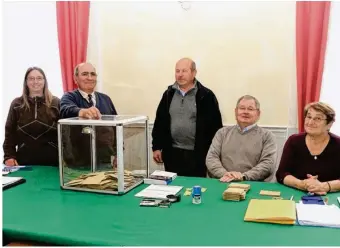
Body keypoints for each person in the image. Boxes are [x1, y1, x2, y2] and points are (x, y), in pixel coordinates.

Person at [152, 58, 223, 177]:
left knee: (194, 189)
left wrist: (213, 153)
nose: (180, 75)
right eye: (177, 71)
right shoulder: (169, 94)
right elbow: (160, 122)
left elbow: (215, 127)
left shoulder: (206, 95)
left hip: (198, 155)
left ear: (194, 73)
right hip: (172, 153)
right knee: (173, 189)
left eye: (184, 71)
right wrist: (157, 147)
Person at [206, 95, 277, 182]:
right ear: (236, 112)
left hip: (254, 185)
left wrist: (243, 176)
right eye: (242, 108)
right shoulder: (222, 133)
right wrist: (225, 174)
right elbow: (211, 158)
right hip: (222, 182)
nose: (245, 112)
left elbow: (268, 164)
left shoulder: (267, 136)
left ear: (258, 114)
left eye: (250, 109)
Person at [60, 62, 118, 168]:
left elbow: (116, 128)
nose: (89, 77)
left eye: (93, 74)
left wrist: (118, 154)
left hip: (104, 161)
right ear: (75, 78)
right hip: (77, 163)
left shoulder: (106, 99)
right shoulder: (69, 97)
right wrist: (82, 112)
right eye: (85, 74)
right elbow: (65, 109)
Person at [276, 102, 340, 194]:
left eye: (317, 118)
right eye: (309, 117)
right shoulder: (293, 141)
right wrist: (301, 184)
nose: (310, 122)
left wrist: (325, 186)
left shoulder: (338, 144)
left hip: (330, 196)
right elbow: (282, 173)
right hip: (296, 193)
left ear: (329, 124)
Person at [3, 67, 60, 166]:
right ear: (26, 82)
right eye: (31, 78)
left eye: (39, 78)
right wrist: (9, 156)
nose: (35, 81)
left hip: (53, 162)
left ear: (44, 81)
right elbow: (10, 132)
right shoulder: (16, 104)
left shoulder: (56, 102)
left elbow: (64, 134)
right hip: (23, 162)